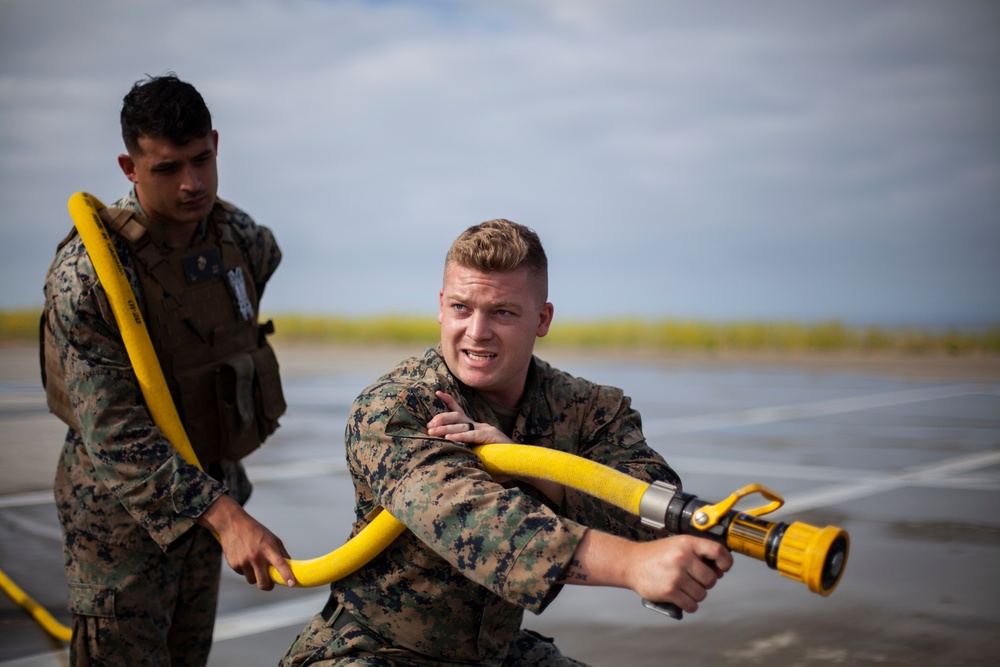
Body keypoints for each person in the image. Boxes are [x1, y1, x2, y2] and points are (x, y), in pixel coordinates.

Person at [281, 219, 733, 666]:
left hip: (494, 655)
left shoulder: (588, 407)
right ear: (440, 306)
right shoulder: (396, 407)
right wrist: (632, 565)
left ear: (542, 319)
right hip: (376, 650)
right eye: (461, 307)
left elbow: (656, 510)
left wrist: (534, 468)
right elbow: (474, 520)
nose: (477, 331)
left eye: (502, 312)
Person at [41, 73, 296, 666]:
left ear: (215, 143)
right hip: (122, 526)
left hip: (208, 499)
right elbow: (116, 434)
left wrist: (220, 510)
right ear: (130, 167)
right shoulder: (88, 278)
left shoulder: (243, 239)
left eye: (202, 160)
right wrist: (230, 518)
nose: (192, 183)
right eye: (166, 168)